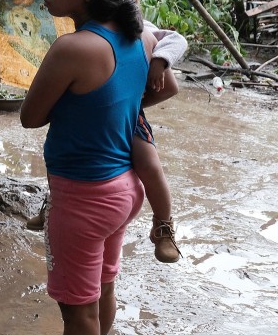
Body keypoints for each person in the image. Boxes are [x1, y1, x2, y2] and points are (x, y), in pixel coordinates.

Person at [19, 0, 174, 335]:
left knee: (77, 310)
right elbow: (167, 87)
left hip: (83, 198)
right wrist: (118, 106)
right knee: (104, 287)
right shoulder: (140, 38)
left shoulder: (74, 48)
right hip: (125, 191)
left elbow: (31, 116)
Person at [27, 21, 186, 264]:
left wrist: (160, 61)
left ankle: (163, 226)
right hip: (93, 112)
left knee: (150, 166)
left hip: (129, 115)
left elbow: (176, 40)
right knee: (65, 153)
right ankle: (52, 206)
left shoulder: (139, 27)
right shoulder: (83, 36)